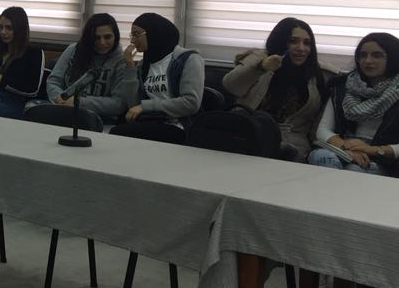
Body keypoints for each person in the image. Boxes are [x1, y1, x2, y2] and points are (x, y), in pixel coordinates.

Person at [222, 17, 326, 161]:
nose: (301, 48)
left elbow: (318, 125)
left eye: (307, 43)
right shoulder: (260, 58)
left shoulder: (318, 74)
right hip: (249, 134)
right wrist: (260, 68)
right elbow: (231, 85)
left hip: (293, 146)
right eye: (293, 41)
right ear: (281, 41)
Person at [308, 32, 399, 175]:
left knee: (354, 170)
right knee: (321, 157)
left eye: (376, 55)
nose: (367, 61)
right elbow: (323, 130)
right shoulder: (343, 85)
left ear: (393, 57)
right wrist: (347, 148)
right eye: (362, 55)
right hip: (343, 148)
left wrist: (372, 150)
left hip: (381, 157)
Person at [110, 12, 203, 144]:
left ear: (154, 33)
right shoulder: (144, 64)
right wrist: (130, 67)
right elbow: (134, 105)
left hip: (178, 126)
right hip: (150, 122)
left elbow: (190, 103)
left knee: (119, 134)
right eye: (132, 35)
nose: (132, 41)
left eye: (137, 34)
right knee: (119, 133)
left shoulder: (188, 59)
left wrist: (145, 107)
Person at [45, 12, 133, 124]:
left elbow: (119, 103)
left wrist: (78, 102)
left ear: (115, 37)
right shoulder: (73, 50)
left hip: (100, 119)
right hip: (63, 111)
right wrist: (61, 99)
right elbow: (53, 81)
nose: (102, 42)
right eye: (96, 38)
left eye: (107, 37)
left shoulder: (121, 60)